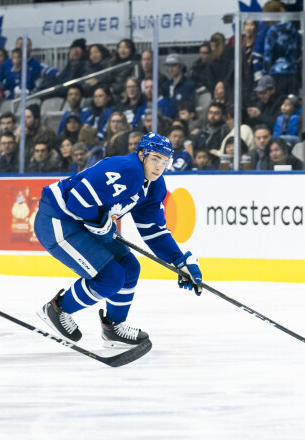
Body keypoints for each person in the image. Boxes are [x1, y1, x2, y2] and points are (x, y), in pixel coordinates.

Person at [34, 132, 202, 347]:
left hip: (83, 224)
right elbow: (77, 201)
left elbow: (154, 232)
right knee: (110, 278)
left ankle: (113, 328)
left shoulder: (154, 185)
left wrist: (180, 262)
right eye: (155, 159)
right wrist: (98, 221)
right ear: (141, 154)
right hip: (57, 220)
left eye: (165, 161)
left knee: (130, 266)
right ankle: (58, 309)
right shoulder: (128, 170)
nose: (160, 167)